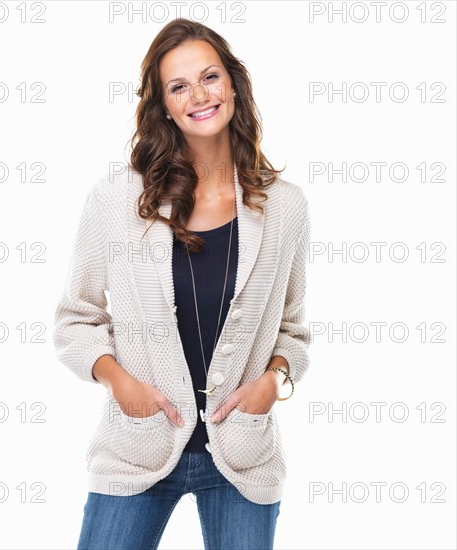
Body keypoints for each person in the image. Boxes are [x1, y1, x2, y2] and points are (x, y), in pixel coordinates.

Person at [53, 17, 311, 550]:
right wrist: (118, 382)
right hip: (135, 449)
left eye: (210, 76)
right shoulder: (117, 200)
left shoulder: (286, 207)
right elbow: (76, 318)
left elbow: (291, 330)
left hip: (243, 455)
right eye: (179, 86)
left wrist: (274, 382)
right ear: (164, 105)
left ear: (234, 84)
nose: (199, 95)